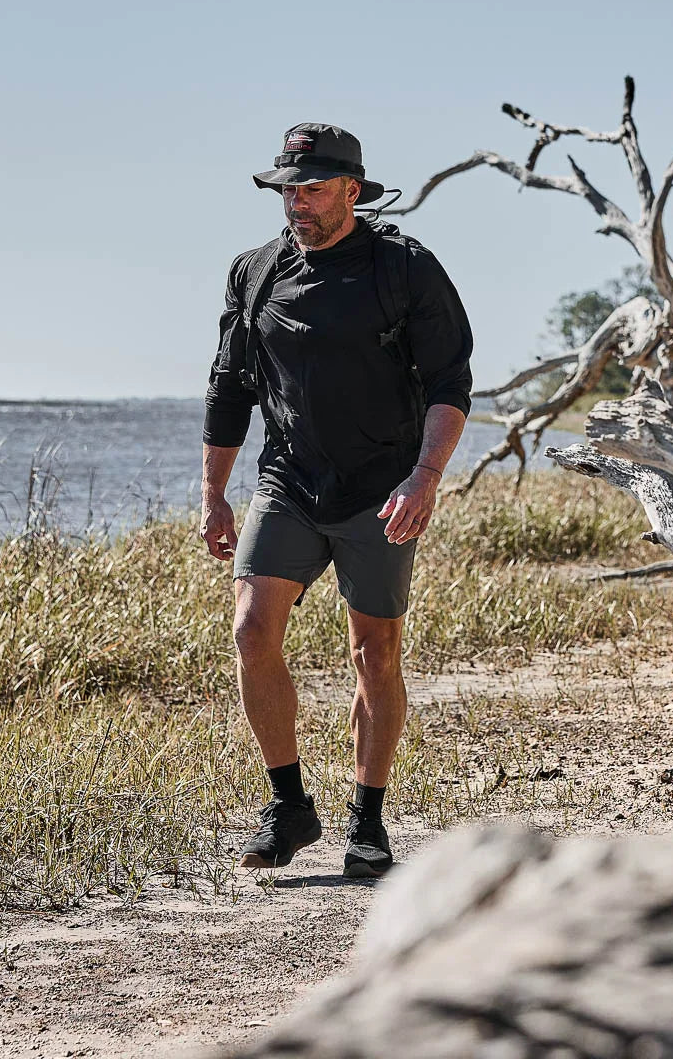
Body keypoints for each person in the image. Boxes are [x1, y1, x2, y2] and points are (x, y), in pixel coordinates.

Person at [200, 123, 472, 878]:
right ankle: (289, 805)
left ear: (353, 189)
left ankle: (368, 820)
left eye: (313, 188)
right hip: (288, 482)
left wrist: (424, 478)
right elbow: (229, 389)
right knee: (252, 631)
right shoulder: (253, 273)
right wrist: (214, 494)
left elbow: (451, 382)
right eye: (288, 189)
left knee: (373, 652)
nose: (298, 203)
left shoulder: (403, 269)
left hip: (381, 491)